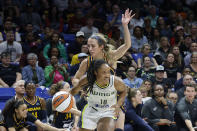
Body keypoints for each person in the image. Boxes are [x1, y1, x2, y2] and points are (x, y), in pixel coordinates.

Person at [72, 9, 134, 131]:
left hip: (112, 100)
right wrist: (81, 88)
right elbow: (75, 78)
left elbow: (127, 45)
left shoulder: (110, 57)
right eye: (88, 46)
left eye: (93, 46)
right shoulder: (86, 62)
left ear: (101, 47)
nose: (89, 48)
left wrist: (125, 26)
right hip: (94, 100)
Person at [70, 59, 127, 131]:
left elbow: (124, 90)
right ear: (95, 72)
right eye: (104, 72)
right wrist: (65, 96)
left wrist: (118, 104)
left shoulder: (115, 81)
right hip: (91, 111)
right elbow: (73, 91)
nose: (107, 75)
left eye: (109, 72)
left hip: (108, 111)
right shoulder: (87, 80)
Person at [1, 99, 67, 131]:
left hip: (17, 126)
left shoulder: (27, 115)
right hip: (5, 126)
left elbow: (43, 125)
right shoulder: (10, 117)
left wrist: (58, 130)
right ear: (16, 110)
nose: (26, 111)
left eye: (26, 109)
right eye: (23, 110)